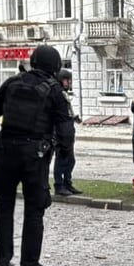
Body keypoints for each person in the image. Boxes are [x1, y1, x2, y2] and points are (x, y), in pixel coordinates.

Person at [0, 45, 75, 266]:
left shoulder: (12, 83)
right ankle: (29, 264)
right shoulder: (54, 90)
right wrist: (65, 153)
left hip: (6, 152)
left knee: (4, 206)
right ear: (55, 66)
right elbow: (66, 127)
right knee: (34, 209)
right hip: (35, 156)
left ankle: (3, 262)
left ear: (33, 61)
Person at [51, 68, 82, 196]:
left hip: (67, 130)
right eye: (66, 80)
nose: (69, 83)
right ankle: (59, 185)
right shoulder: (56, 93)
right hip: (60, 132)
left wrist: (73, 117)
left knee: (70, 160)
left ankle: (67, 183)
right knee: (61, 159)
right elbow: (56, 114)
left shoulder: (63, 93)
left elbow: (65, 112)